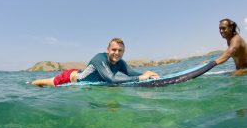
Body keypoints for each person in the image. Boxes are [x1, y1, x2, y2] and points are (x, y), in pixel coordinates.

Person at [31, 38, 160, 87]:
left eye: (120, 51)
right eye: (114, 49)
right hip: (70, 78)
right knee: (48, 82)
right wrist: (139, 78)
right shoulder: (100, 58)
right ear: (108, 50)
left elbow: (131, 73)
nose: (117, 53)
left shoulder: (120, 62)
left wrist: (147, 73)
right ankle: (31, 83)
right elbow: (111, 79)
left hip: (84, 79)